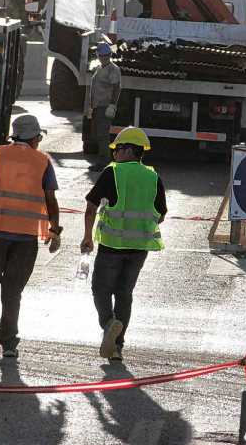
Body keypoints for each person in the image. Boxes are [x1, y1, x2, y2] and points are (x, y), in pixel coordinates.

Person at [0, 115, 62, 359]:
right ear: (36, 138)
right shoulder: (42, 161)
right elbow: (50, 198)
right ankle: (8, 344)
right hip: (27, 237)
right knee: (12, 290)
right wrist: (55, 229)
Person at [80, 127, 167, 361]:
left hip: (111, 246)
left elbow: (90, 208)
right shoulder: (153, 176)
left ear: (128, 150)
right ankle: (117, 347)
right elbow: (160, 214)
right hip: (139, 249)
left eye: (117, 149)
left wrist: (87, 237)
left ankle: (109, 325)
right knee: (124, 294)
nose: (114, 154)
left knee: (100, 289)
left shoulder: (113, 173)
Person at [85, 42, 122, 172]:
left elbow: (117, 88)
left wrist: (112, 105)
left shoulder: (113, 69)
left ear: (109, 55)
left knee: (102, 135)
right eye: (101, 55)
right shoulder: (100, 68)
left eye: (105, 55)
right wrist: (91, 107)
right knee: (97, 135)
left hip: (105, 106)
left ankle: (103, 162)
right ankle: (102, 160)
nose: (103, 57)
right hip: (97, 106)